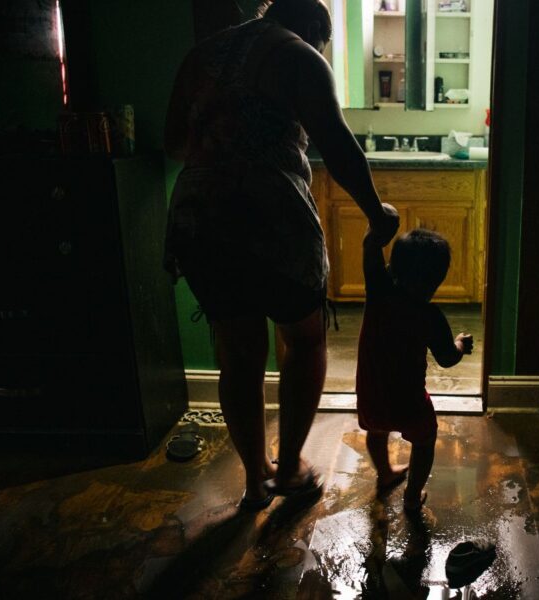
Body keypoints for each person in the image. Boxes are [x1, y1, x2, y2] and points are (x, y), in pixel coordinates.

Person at [163, 0, 399, 510]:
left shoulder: (202, 55)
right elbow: (336, 145)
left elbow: (174, 143)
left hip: (198, 215)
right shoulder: (298, 54)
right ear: (314, 28)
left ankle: (255, 480)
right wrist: (376, 214)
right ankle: (290, 467)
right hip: (269, 212)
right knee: (305, 340)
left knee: (238, 353)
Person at [356, 226, 473, 513]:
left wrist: (378, 224)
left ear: (393, 267)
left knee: (376, 431)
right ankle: (411, 496)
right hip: (409, 401)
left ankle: (385, 473)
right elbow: (447, 358)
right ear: (438, 280)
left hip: (371, 394)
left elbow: (370, 248)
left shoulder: (378, 290)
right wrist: (460, 344)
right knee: (424, 441)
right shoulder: (431, 316)